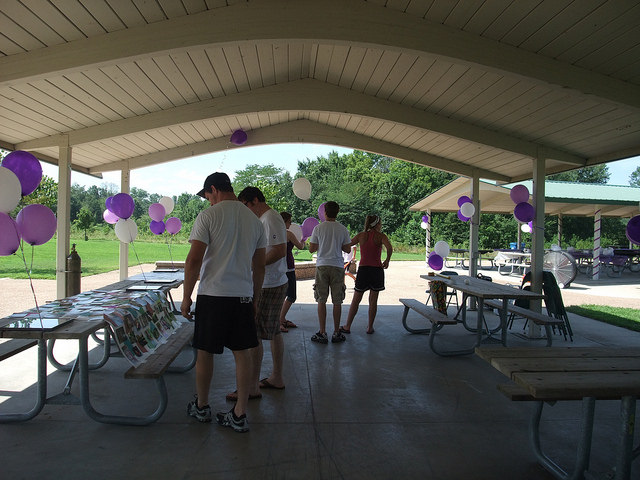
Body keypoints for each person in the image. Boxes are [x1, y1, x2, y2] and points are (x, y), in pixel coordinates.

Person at [182, 172, 266, 433]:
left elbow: (194, 260)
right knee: (243, 353)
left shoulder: (208, 216)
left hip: (212, 295)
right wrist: (255, 297)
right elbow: (259, 265)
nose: (208, 201)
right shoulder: (254, 221)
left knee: (205, 352)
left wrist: (186, 297)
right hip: (241, 295)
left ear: (214, 189)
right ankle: (239, 413)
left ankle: (203, 405)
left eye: (207, 196)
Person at [235, 186, 288, 393]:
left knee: (254, 334)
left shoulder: (270, 219)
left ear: (255, 200)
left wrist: (254, 264)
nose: (247, 210)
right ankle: (276, 376)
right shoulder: (266, 219)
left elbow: (279, 250)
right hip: (273, 281)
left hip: (269, 283)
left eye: (247, 205)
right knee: (273, 331)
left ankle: (251, 387)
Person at [340, 215, 393, 335]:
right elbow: (389, 248)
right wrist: (387, 260)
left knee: (356, 300)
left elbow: (347, 245)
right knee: (373, 301)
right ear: (377, 224)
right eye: (380, 223)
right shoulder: (381, 236)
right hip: (376, 270)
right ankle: (370, 327)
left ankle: (347, 326)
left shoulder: (361, 235)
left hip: (364, 270)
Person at [308, 201, 352, 344]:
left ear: (324, 212)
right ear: (337, 212)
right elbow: (347, 249)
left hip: (322, 266)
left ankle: (322, 332)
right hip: (338, 266)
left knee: (321, 299)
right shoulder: (343, 229)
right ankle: (336, 332)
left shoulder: (318, 228)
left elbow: (311, 249)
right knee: (337, 300)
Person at [279, 212, 305, 332]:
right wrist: (304, 240)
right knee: (291, 295)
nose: (290, 224)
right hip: (288, 267)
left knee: (280, 294)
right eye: (289, 221)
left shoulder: (274, 232)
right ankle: (280, 319)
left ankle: (281, 319)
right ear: (284, 221)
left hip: (278, 266)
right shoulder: (288, 234)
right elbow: (300, 246)